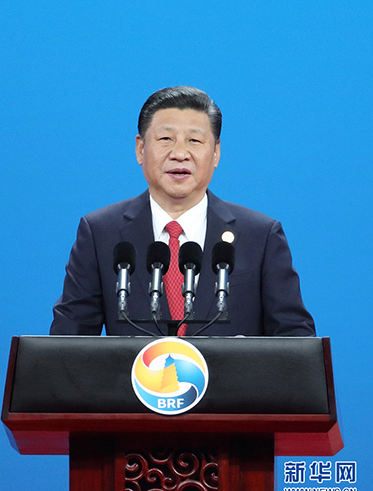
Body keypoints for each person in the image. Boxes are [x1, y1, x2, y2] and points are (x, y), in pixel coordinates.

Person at [50, 86, 315, 337]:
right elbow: (68, 341)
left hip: (232, 386)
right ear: (141, 149)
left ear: (216, 153)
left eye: (194, 140)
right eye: (165, 139)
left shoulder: (260, 236)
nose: (179, 153)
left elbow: (294, 342)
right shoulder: (100, 233)